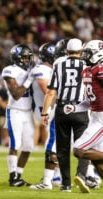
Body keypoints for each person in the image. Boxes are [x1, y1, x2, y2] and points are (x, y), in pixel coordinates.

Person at [41, 38, 90, 192]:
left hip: (62, 108)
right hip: (80, 108)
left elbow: (51, 92)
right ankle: (81, 176)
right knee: (84, 145)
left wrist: (45, 112)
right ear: (81, 51)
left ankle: (65, 185)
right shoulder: (86, 64)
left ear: (66, 51)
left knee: (62, 149)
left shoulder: (59, 63)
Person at [63, 39, 103, 193]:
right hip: (95, 116)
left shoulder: (100, 69)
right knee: (98, 162)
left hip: (101, 118)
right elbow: (90, 100)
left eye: (88, 52)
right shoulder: (87, 71)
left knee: (79, 149)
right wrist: (75, 107)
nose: (85, 55)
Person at [1, 44, 35, 187]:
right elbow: (16, 94)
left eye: (29, 57)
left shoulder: (32, 71)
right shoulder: (10, 70)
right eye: (25, 58)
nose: (28, 60)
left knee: (28, 147)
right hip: (15, 110)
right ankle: (12, 177)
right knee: (15, 145)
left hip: (28, 112)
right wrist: (29, 80)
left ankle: (18, 176)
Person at [29, 43, 62, 190]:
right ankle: (51, 179)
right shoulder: (41, 69)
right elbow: (47, 90)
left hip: (52, 109)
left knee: (60, 143)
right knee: (53, 142)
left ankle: (55, 176)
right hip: (46, 110)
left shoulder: (52, 68)